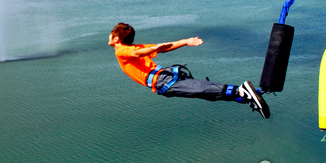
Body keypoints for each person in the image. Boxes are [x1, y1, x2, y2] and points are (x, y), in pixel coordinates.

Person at [109, 22, 270, 119]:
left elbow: (137, 53)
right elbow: (166, 47)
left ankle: (240, 91)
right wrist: (185, 41)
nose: (108, 38)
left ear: (116, 39)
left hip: (161, 80)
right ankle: (245, 97)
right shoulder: (136, 47)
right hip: (166, 74)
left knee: (201, 90)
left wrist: (162, 46)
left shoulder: (121, 51)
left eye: (110, 35)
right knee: (205, 93)